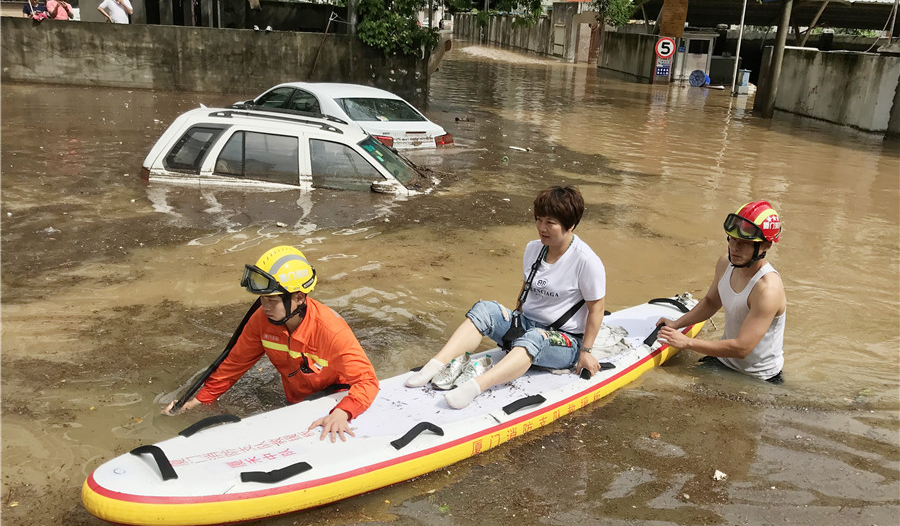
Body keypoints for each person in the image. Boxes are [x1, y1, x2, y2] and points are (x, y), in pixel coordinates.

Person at [405, 185, 607, 409]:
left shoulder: (586, 261)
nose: (542, 228)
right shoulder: (534, 248)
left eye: (550, 222)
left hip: (565, 341)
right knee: (484, 309)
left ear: (571, 225)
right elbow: (525, 292)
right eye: (539, 219)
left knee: (537, 337)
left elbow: (597, 308)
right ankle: (435, 366)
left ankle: (476, 386)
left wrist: (586, 352)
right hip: (528, 325)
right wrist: (509, 325)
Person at [164, 246, 380, 442]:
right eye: (262, 299)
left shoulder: (331, 331)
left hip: (340, 399)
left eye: (272, 300)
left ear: (298, 297)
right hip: (296, 401)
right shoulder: (261, 321)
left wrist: (343, 412)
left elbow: (368, 381)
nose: (264, 306)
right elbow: (233, 365)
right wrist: (200, 401)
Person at [657, 200, 785, 383]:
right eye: (732, 239)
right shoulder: (726, 263)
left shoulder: (768, 289)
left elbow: (742, 348)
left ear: (765, 246)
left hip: (758, 377)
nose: (735, 248)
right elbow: (711, 302)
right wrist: (676, 324)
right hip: (724, 360)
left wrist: (687, 343)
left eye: (744, 243)